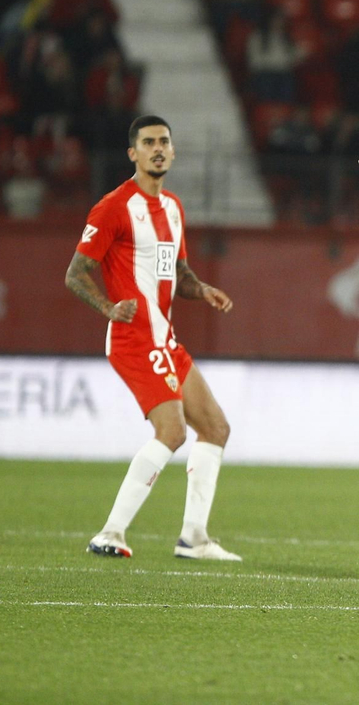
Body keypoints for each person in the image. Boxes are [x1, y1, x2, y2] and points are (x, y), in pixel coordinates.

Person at [64, 115, 240, 561]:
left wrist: (202, 290)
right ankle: (110, 533)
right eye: (148, 142)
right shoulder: (114, 207)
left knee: (215, 428)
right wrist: (107, 307)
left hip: (166, 339)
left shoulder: (174, 208)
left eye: (164, 141)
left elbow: (176, 273)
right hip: (133, 338)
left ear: (173, 151)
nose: (158, 148)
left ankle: (194, 538)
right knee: (173, 429)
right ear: (133, 153)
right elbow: (75, 273)